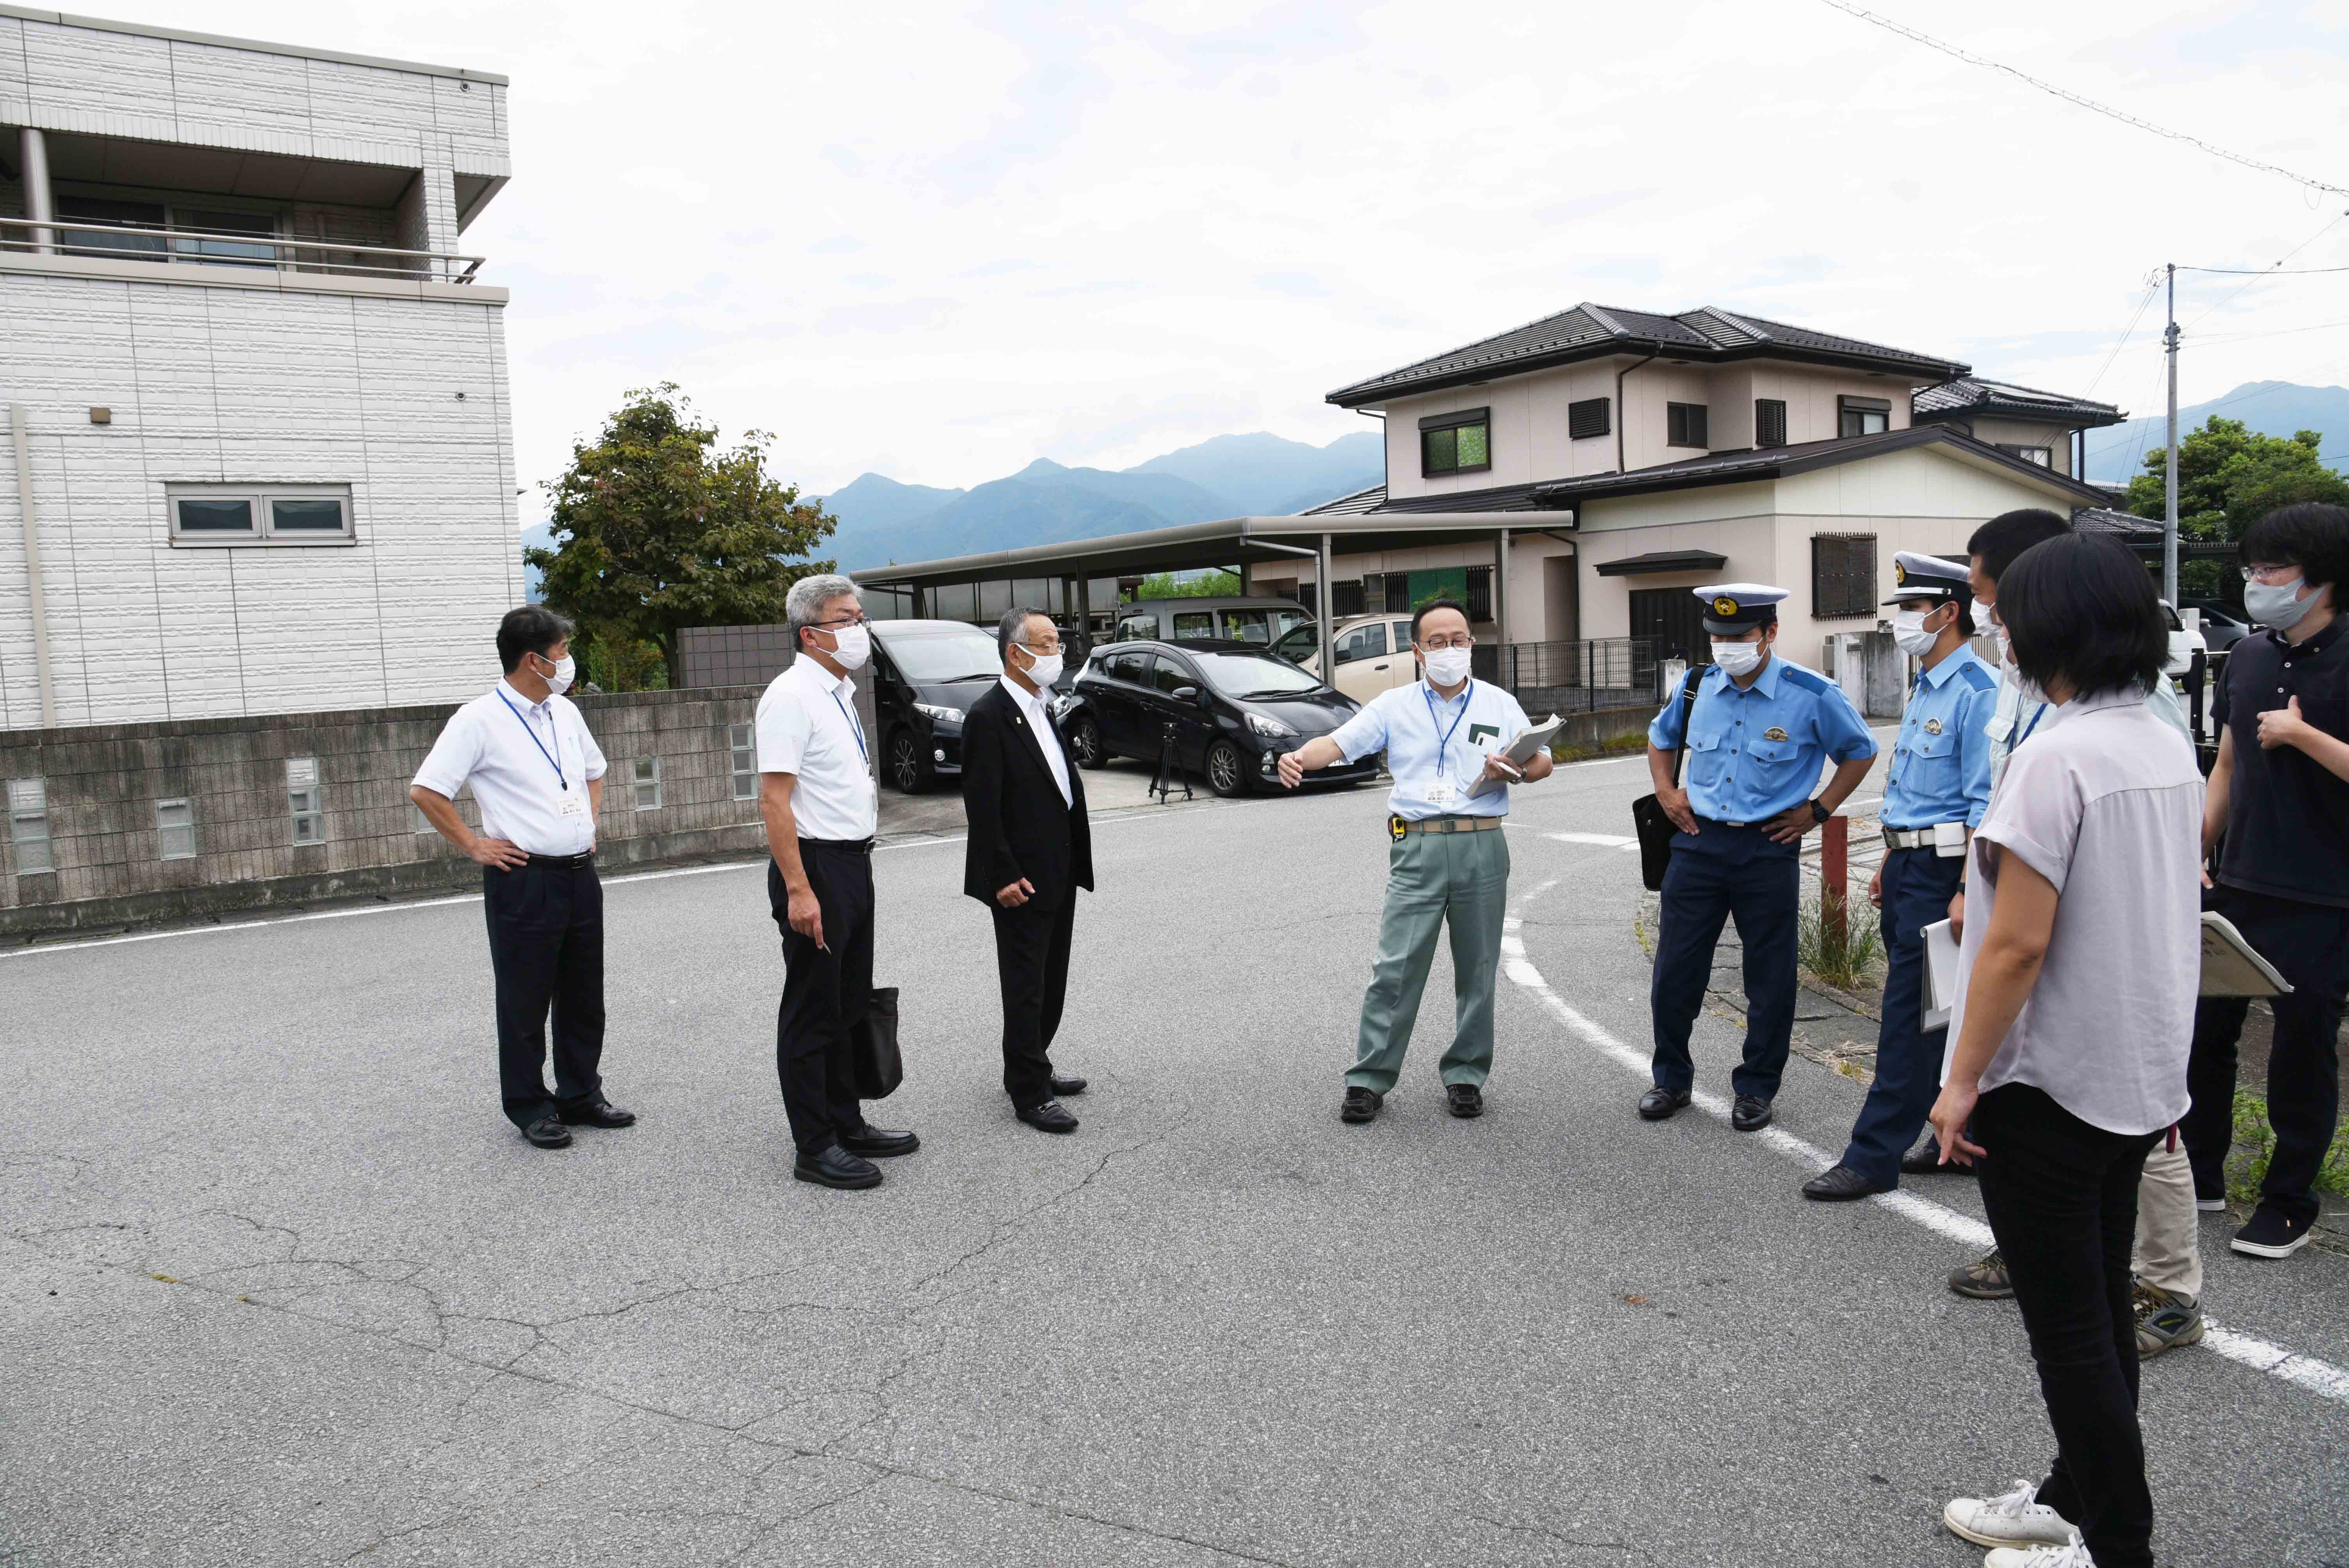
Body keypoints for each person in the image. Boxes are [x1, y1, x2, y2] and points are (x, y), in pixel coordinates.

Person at [1928, 532, 2201, 1568]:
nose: (1997, 627)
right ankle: (2066, 1499)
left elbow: (2017, 940)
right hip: (2135, 1077)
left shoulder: (2056, 755)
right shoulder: (2160, 738)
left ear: (2048, 629)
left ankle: (2113, 1544)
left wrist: (1960, 1086)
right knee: (2098, 1311)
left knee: (2073, 1336)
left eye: (2007, 616)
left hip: (2045, 1084)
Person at [1276, 598, 1552, 1123]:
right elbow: (1338, 744)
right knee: (1395, 968)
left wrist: (1513, 771)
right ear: (1419, 651)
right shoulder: (1394, 705)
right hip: (1418, 844)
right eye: (1438, 642)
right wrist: (1297, 758)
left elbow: (1541, 761)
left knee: (1479, 966)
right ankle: (1369, 1078)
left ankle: (1467, 1074)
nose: (1451, 650)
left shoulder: (1498, 703)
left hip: (1482, 841)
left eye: (1460, 640)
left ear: (1472, 644)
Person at [1641, 584, 1876, 1132]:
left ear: (1770, 633)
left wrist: (1819, 810)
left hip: (1767, 848)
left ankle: (1756, 1087)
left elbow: (1860, 750)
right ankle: (1670, 1079)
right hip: (1698, 844)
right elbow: (1661, 739)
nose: (1726, 646)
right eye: (1717, 637)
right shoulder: (1698, 686)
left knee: (1769, 977)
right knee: (1676, 970)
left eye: (1739, 636)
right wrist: (1665, 791)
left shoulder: (1812, 693)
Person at [2181, 501, 2349, 1261]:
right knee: (2204, 1035)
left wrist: (2301, 734)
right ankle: (2201, 1172)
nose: (2256, 581)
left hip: (2323, 890)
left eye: (2272, 569)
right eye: (2251, 567)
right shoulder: (2246, 656)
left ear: (2323, 579)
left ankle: (2288, 1200)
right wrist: (2197, 845)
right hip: (2237, 877)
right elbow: (2225, 763)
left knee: (2299, 1048)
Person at [1804, 554, 1994, 1200]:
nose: (1903, 622)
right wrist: (1889, 854)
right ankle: (1959, 1139)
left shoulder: (1977, 690)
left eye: (1913, 610)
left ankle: (1873, 1155)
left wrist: (1968, 886)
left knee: (1911, 1014)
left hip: (1945, 871)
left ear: (1949, 613)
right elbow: (1913, 791)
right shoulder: (1928, 684)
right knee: (1936, 1012)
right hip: (1910, 864)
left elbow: (1980, 803)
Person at [410, 606, 634, 1149]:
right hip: (524, 878)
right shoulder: (477, 720)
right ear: (533, 660)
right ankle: (530, 1106)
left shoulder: (564, 712)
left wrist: (588, 823)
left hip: (579, 874)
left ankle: (581, 1094)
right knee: (525, 997)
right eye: (561, 652)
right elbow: (427, 790)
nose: (568, 661)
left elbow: (594, 772)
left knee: (584, 994)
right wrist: (473, 844)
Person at [755, 574, 920, 1190]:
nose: (859, 629)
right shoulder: (791, 696)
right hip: (817, 864)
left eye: (859, 617)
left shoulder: (838, 692)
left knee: (850, 999)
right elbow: (775, 801)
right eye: (846, 620)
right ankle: (814, 1145)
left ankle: (846, 1118)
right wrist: (800, 889)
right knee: (813, 1007)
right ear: (811, 633)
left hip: (853, 862)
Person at [961, 606, 1094, 1135]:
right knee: (1025, 984)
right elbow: (983, 807)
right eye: (1046, 644)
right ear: (1016, 654)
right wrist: (1000, 876)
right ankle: (1028, 1091)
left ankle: (1033, 1060)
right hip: (1019, 877)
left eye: (1058, 643)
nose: (1057, 654)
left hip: (1058, 866)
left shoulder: (1044, 707)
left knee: (1051, 977)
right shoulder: (988, 716)